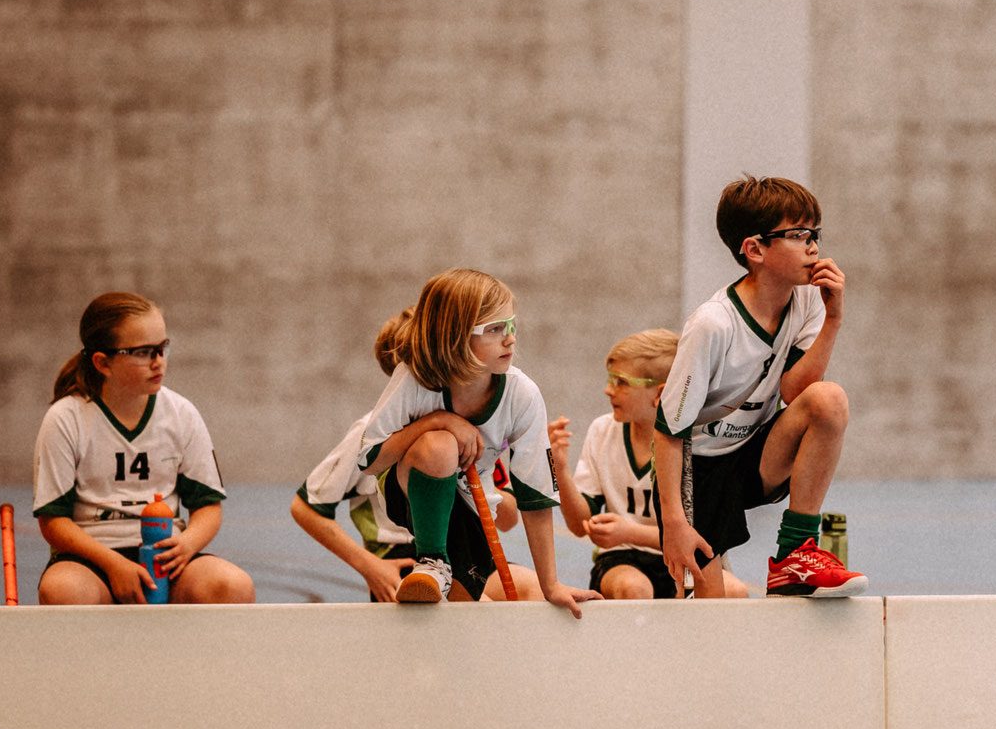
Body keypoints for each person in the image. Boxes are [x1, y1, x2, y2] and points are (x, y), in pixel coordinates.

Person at [301, 268, 595, 614]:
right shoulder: (412, 381)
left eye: (511, 325)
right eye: (495, 329)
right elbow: (369, 460)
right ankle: (433, 562)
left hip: (469, 516)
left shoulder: (522, 394)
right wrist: (438, 420)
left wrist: (551, 584)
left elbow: (534, 497)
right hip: (406, 513)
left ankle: (444, 579)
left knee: (490, 607)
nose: (511, 339)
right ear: (455, 337)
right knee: (440, 444)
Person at [654, 175, 868, 597]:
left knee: (829, 399)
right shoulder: (712, 324)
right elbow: (668, 432)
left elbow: (796, 393)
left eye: (815, 234)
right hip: (701, 469)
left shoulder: (809, 299)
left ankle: (795, 553)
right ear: (755, 249)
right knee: (708, 610)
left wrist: (834, 320)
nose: (813, 246)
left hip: (756, 453)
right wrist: (675, 522)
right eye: (798, 235)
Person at [32, 292, 254, 605]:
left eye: (162, 348)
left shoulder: (181, 413)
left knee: (234, 586)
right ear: (103, 362)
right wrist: (114, 565)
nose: (158, 361)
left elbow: (208, 507)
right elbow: (53, 522)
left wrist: (187, 544)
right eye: (143, 352)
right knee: (63, 591)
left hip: (167, 559)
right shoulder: (66, 419)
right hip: (92, 560)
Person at [291, 309, 519, 601]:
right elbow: (305, 507)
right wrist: (370, 567)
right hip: (404, 558)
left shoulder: (467, 429)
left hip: (467, 550)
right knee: (481, 611)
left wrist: (485, 474)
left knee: (534, 593)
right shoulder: (370, 433)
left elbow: (507, 520)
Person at [549, 329, 753, 599]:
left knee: (736, 591)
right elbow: (579, 525)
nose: (608, 389)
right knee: (633, 588)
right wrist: (559, 470)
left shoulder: (701, 442)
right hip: (623, 558)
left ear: (661, 393)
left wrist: (629, 531)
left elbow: (703, 537)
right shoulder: (602, 430)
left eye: (621, 382)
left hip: (686, 557)